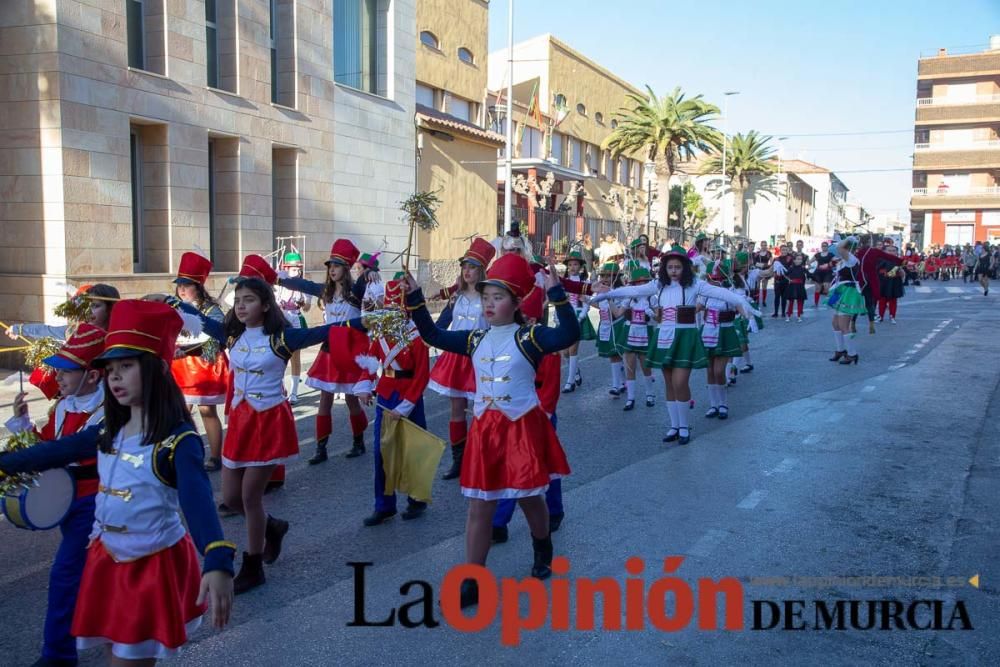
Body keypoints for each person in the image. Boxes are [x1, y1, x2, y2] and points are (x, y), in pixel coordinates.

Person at [0, 300, 235, 663]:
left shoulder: (177, 441)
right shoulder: (108, 429)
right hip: (106, 559)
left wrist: (216, 558)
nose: (115, 377)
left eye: (126, 367)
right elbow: (51, 452)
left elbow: (197, 500)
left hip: (150, 564)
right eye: (111, 369)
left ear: (156, 370)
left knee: (127, 659)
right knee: (116, 652)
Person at [404, 253, 579, 609]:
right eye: (485, 297)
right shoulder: (474, 340)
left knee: (530, 497)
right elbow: (433, 335)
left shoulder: (531, 337)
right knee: (479, 507)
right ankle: (473, 578)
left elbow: (570, 334)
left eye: (497, 297)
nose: (488, 303)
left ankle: (542, 545)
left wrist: (557, 293)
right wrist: (416, 298)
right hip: (485, 430)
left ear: (516, 303)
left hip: (522, 427)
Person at [183, 255, 348, 593]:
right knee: (231, 497)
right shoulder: (232, 335)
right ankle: (271, 526)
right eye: (239, 300)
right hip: (241, 420)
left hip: (268, 421)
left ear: (264, 304)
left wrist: (367, 321)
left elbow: (325, 330)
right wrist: (171, 305)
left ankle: (253, 564)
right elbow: (198, 319)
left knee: (249, 496)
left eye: (250, 300)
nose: (241, 306)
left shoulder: (281, 338)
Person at [4, 325, 107, 667]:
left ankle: (58, 656)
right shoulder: (64, 405)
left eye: (66, 371)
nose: (57, 377)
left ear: (92, 376)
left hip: (96, 504)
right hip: (69, 499)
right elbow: (49, 448)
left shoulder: (107, 411)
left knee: (65, 575)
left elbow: (70, 450)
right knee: (85, 574)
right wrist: (23, 426)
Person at [590, 246, 756, 444]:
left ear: (685, 267)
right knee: (669, 382)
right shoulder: (658, 285)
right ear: (665, 269)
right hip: (663, 336)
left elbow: (721, 294)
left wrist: (742, 302)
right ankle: (674, 426)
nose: (674, 271)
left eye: (678, 267)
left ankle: (684, 427)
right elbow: (634, 289)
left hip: (685, 336)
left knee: (680, 382)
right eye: (670, 267)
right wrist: (608, 294)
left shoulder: (696, 285)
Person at [277, 239, 371, 463]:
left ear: (346, 269)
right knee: (325, 399)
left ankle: (359, 441)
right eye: (330, 266)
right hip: (329, 349)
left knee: (351, 400)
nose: (333, 269)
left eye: (337, 265)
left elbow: (369, 270)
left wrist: (371, 273)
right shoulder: (325, 292)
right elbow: (300, 285)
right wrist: (274, 278)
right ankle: (321, 448)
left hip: (349, 351)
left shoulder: (356, 291)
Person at [352, 276, 432, 527]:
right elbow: (369, 362)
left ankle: (417, 498)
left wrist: (406, 405)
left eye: (394, 309)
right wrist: (365, 386)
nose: (389, 314)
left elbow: (421, 375)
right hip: (386, 396)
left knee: (412, 450)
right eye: (387, 309)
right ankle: (384, 505)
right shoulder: (380, 335)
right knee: (382, 452)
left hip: (409, 397)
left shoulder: (417, 337)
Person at [491, 286, 565, 543]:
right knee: (512, 467)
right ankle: (499, 523)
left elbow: (551, 389)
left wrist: (541, 415)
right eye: (524, 319)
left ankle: (555, 510)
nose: (527, 323)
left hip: (539, 415)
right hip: (514, 413)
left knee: (546, 466)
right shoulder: (510, 342)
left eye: (531, 319)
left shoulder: (548, 348)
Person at [428, 238, 495, 480]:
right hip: (456, 357)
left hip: (479, 358)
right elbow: (442, 324)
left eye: (473, 266)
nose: (467, 271)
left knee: (481, 409)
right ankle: (459, 460)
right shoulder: (456, 296)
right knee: (456, 409)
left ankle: (482, 458)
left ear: (482, 270)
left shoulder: (489, 296)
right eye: (465, 266)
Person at [170, 252, 229, 473]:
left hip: (203, 366)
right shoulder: (173, 307)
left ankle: (215, 456)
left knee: (206, 409)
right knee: (180, 412)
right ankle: (187, 451)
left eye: (187, 285)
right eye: (179, 285)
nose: (182, 290)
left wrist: (190, 350)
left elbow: (217, 338)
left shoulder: (211, 310)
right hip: (179, 367)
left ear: (199, 286)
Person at [620, 261, 658, 411]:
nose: (642, 285)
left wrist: (651, 313)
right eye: (639, 283)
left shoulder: (652, 298)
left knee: (645, 366)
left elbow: (659, 318)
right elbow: (617, 313)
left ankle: (650, 394)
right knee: (630, 366)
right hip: (630, 332)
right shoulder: (629, 297)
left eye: (645, 282)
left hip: (646, 333)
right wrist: (607, 299)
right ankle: (631, 398)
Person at [275, 251, 312, 403]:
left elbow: (308, 308)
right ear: (286, 268)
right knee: (278, 356)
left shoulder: (303, 284)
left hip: (296, 319)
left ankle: (294, 391)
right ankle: (280, 388)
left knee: (295, 357)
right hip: (281, 320)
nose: (297, 271)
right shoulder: (279, 283)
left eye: (299, 268)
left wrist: (303, 303)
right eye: (294, 268)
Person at [559, 250, 596, 393]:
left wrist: (582, 316)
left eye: (575, 264)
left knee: (573, 349)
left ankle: (570, 382)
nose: (573, 267)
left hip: (578, 315)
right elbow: (559, 300)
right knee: (565, 352)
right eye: (570, 264)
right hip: (565, 316)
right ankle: (575, 372)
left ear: (580, 266)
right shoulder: (563, 282)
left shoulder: (584, 283)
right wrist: (558, 315)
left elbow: (587, 301)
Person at [828, 237, 868, 364]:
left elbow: (839, 248)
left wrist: (848, 239)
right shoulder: (844, 259)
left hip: (848, 292)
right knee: (835, 323)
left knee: (844, 325)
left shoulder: (850, 258)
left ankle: (852, 353)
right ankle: (840, 350)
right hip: (841, 291)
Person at [592, 261, 627, 396]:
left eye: (608, 276)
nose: (605, 279)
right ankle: (623, 381)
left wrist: (609, 297)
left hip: (617, 326)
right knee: (615, 356)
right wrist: (585, 299)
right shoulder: (600, 290)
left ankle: (615, 386)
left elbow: (619, 310)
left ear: (616, 277)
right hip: (605, 326)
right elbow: (599, 305)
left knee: (614, 355)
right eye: (603, 276)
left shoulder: (619, 292)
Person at [877, 245, 905, 324]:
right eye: (889, 250)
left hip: (895, 282)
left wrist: (900, 272)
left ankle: (892, 316)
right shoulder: (880, 259)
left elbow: (902, 272)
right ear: (884, 251)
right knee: (882, 300)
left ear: (896, 252)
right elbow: (877, 270)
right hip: (883, 282)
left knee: (893, 300)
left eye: (893, 250)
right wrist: (885, 273)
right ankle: (880, 316)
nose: (891, 252)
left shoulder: (898, 261)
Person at [784, 252, 809, 322]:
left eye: (800, 259)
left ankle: (799, 316)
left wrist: (811, 276)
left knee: (800, 301)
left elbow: (809, 274)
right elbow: (785, 274)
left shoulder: (803, 268)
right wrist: (789, 280)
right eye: (797, 259)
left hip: (800, 286)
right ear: (794, 260)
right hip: (792, 286)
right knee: (791, 301)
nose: (799, 261)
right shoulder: (791, 268)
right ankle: (788, 315)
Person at [812, 241, 835, 307]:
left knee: (826, 287)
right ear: (821, 247)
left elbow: (835, 262)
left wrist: (829, 265)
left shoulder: (831, 254)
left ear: (827, 247)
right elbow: (809, 261)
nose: (824, 247)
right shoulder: (818, 254)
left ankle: (829, 302)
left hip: (827, 272)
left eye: (825, 246)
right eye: (823, 246)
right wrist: (807, 266)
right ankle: (816, 303)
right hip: (818, 273)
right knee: (817, 289)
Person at [752, 241, 773, 306]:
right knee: (757, 287)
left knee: (764, 287)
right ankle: (757, 300)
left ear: (766, 246)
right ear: (761, 246)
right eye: (763, 245)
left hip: (766, 272)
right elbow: (754, 262)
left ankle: (764, 300)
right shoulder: (757, 253)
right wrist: (762, 265)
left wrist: (769, 266)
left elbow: (771, 262)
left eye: (765, 245)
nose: (764, 247)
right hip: (758, 271)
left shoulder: (769, 253)